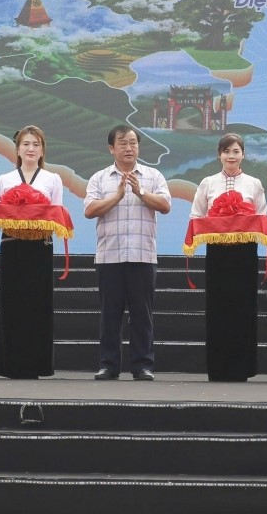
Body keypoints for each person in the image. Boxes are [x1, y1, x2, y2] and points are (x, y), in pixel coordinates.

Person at [84, 124, 171, 381]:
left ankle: (142, 366)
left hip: (142, 256)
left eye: (133, 143)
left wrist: (140, 191)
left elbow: (165, 205)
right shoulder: (99, 178)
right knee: (110, 315)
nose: (129, 148)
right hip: (110, 257)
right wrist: (118, 196)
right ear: (112, 148)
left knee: (142, 315)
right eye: (122, 143)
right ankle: (108, 365)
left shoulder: (153, 176)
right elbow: (89, 210)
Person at [189, 133, 267, 382]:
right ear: (219, 155)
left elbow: (262, 217)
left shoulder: (253, 183)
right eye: (226, 151)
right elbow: (196, 216)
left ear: (243, 155)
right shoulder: (207, 183)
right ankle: (218, 368)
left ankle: (243, 368)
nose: (231, 156)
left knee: (244, 308)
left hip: (245, 254)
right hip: (218, 253)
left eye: (236, 151)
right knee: (218, 308)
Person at [0, 125, 64, 379]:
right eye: (26, 144)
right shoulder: (5, 179)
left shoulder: (52, 179)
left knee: (38, 303)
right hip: (12, 245)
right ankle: (11, 364)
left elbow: (57, 214)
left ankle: (37, 364)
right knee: (12, 303)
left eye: (36, 144)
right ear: (18, 149)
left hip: (40, 247)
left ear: (42, 150)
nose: (31, 148)